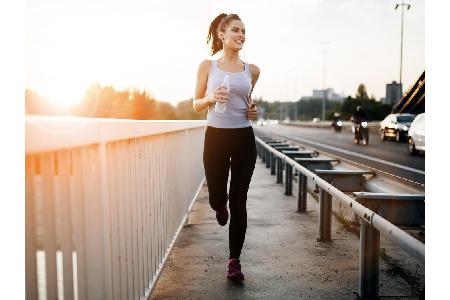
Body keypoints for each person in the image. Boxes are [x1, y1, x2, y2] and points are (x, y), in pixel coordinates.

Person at [193, 13, 260, 282]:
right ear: (222, 35)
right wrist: (210, 97)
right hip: (216, 138)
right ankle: (219, 205)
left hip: (244, 139)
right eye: (236, 30)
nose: (241, 35)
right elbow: (196, 103)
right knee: (217, 197)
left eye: (244, 30)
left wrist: (253, 110)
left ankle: (234, 261)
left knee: (239, 199)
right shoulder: (207, 67)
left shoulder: (252, 70)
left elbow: (247, 99)